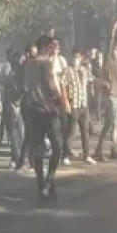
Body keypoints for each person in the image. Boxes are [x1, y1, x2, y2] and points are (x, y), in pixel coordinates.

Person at [23, 35, 65, 199]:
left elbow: (26, 85)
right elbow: (50, 83)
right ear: (45, 48)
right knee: (57, 145)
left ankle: (41, 183)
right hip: (47, 109)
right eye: (50, 47)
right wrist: (58, 98)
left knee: (38, 148)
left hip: (32, 109)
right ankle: (49, 179)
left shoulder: (28, 64)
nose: (53, 50)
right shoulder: (46, 64)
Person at [94, 20, 117, 161]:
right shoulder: (109, 61)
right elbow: (109, 45)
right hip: (110, 97)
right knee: (109, 124)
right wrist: (113, 31)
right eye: (115, 50)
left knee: (115, 125)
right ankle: (100, 149)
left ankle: (112, 148)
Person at [61, 48, 95, 165]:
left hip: (83, 104)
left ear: (81, 58)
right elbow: (63, 86)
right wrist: (66, 102)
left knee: (85, 131)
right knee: (71, 132)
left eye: (78, 57)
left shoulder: (84, 70)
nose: (76, 59)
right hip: (73, 104)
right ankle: (65, 155)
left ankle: (87, 155)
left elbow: (92, 80)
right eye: (74, 57)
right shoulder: (67, 71)